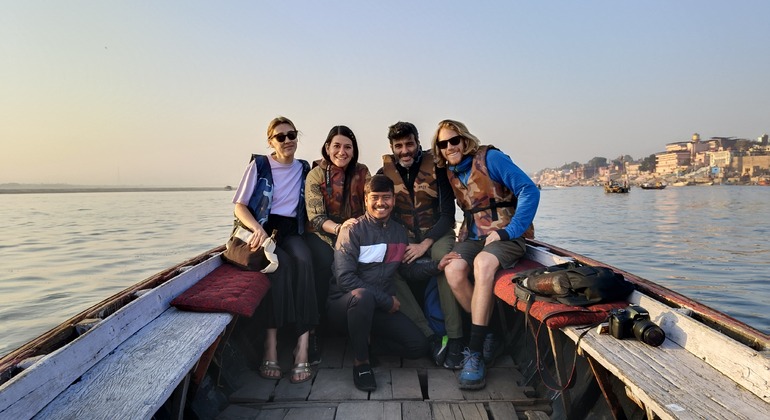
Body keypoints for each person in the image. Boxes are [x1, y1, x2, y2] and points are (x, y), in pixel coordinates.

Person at [431, 119, 539, 390]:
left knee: (482, 263)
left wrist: (508, 231)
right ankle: (490, 334)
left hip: (507, 235)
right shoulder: (450, 172)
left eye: (454, 140)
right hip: (473, 237)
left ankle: (475, 351)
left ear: (464, 139)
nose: (449, 147)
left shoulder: (491, 158)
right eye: (443, 144)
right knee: (453, 270)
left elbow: (529, 190)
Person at [327, 175, 459, 392]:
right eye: (375, 198)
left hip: (378, 308)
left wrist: (437, 266)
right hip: (345, 306)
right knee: (362, 297)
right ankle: (361, 363)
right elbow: (345, 279)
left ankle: (369, 342)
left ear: (394, 200)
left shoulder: (398, 232)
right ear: (366, 200)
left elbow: (406, 269)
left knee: (418, 346)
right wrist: (386, 300)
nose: (381, 203)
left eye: (386, 197)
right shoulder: (352, 231)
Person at [231, 116, 317, 384]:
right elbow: (239, 205)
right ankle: (271, 343)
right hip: (265, 228)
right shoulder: (259, 165)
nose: (288, 141)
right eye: (281, 137)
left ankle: (302, 344)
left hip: (292, 229)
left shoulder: (304, 168)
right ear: (271, 141)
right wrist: (257, 228)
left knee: (304, 260)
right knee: (279, 267)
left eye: (292, 135)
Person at [378, 121, 465, 369]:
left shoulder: (438, 168)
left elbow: (448, 215)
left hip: (437, 234)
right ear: (392, 147)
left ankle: (456, 338)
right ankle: (429, 335)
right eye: (399, 146)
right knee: (389, 268)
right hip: (403, 237)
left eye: (409, 144)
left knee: (447, 263)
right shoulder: (383, 174)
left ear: (417, 143)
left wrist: (424, 245)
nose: (405, 151)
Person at [305, 125, 370, 363]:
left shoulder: (363, 172)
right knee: (323, 263)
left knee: (370, 263)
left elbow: (370, 205)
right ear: (327, 148)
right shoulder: (315, 174)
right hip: (323, 234)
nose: (342, 152)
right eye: (337, 146)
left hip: (356, 234)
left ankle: (364, 329)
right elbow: (316, 217)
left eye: (347, 147)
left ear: (354, 151)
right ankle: (316, 330)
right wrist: (341, 229)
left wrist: (356, 231)